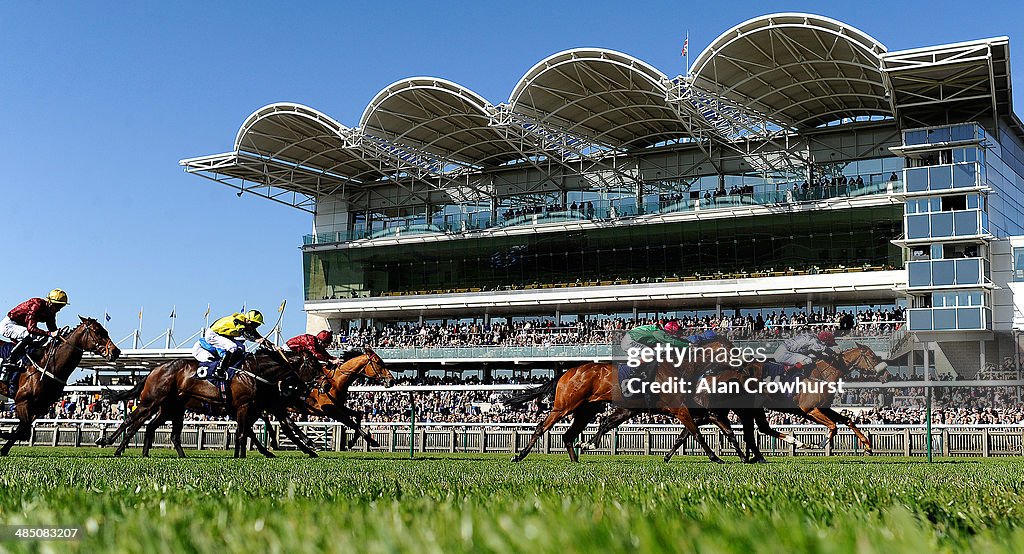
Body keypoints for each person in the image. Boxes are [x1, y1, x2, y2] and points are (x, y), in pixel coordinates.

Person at [0, 289, 69, 372]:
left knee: (43, 338)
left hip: (20, 327)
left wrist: (62, 337)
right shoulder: (37, 304)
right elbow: (31, 329)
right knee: (29, 334)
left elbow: (53, 329)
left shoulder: (51, 312)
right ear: (50, 302)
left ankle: (26, 358)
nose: (59, 309)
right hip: (8, 325)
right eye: (58, 306)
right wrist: (50, 333)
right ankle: (10, 359)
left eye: (61, 306)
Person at [193, 310, 269, 379]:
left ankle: (234, 367)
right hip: (212, 335)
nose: (256, 327)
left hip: (223, 335)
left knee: (241, 347)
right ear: (248, 321)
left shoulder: (247, 324)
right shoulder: (238, 321)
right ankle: (220, 370)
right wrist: (256, 340)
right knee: (232, 347)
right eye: (255, 325)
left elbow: (257, 336)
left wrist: (273, 346)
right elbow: (245, 334)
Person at [772, 330, 840, 375]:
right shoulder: (814, 340)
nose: (828, 345)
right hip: (784, 353)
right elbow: (824, 349)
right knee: (808, 360)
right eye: (828, 344)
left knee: (810, 358)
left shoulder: (812, 338)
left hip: (783, 350)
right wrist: (834, 352)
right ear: (824, 341)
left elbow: (816, 354)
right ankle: (790, 371)